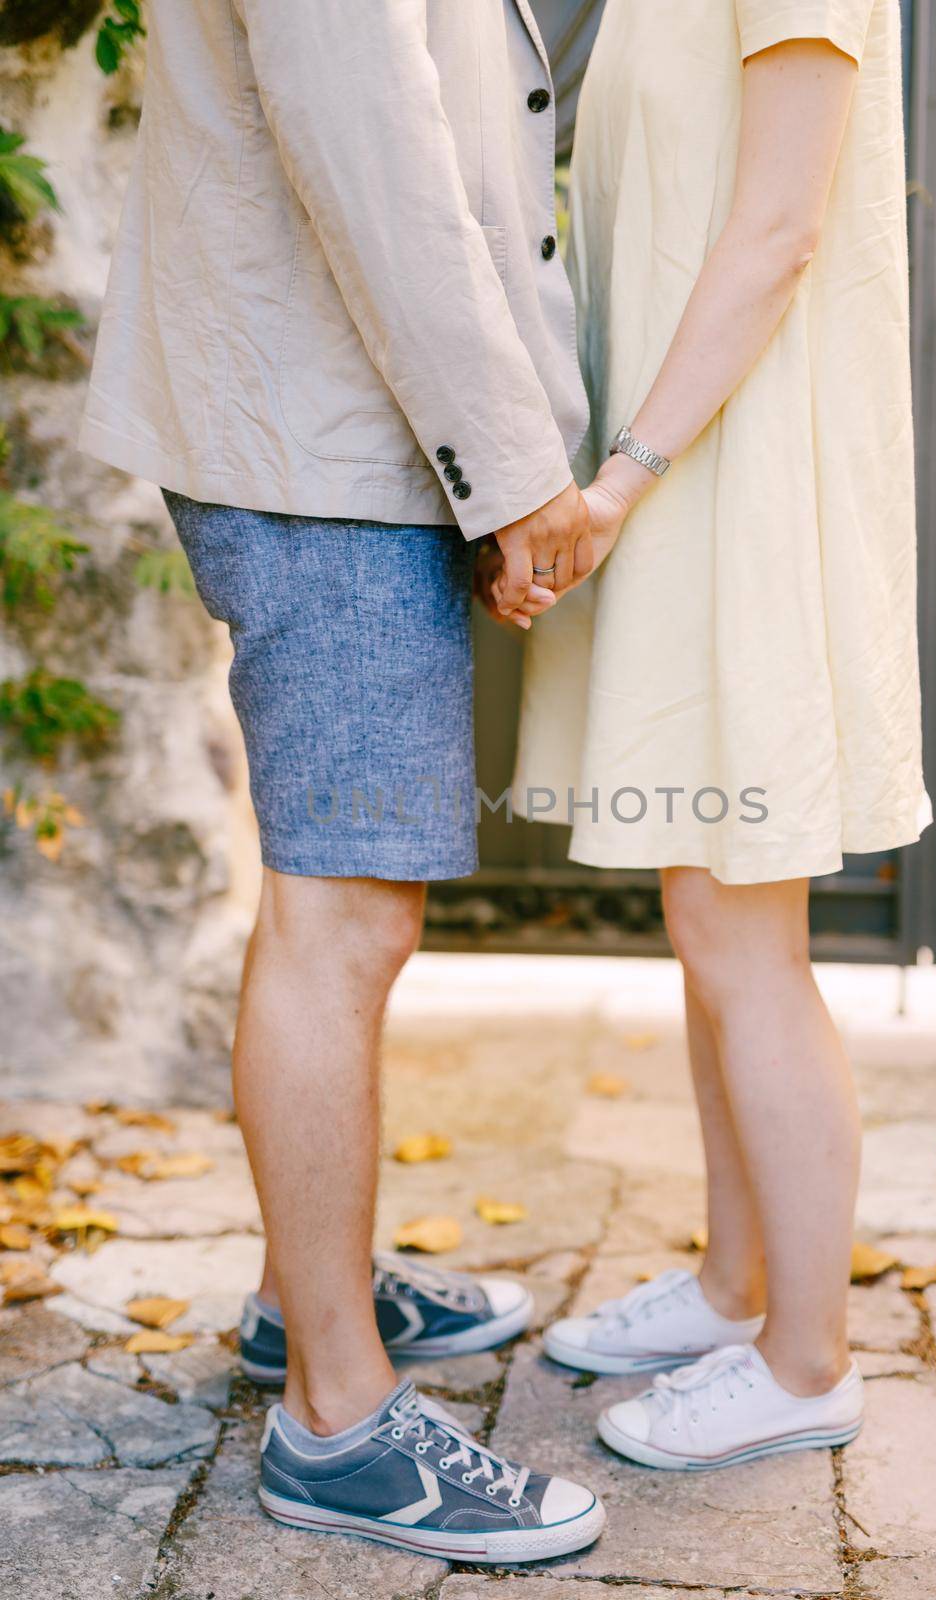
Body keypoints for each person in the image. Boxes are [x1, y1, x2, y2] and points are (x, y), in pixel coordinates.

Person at [79, 0, 605, 1564]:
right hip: (319, 436)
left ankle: (299, 1295)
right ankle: (337, 1422)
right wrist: (517, 470)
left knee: (345, 899)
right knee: (345, 912)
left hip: (327, 417)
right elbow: (371, 149)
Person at [501, 0, 931, 1470]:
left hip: (745, 481)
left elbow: (776, 233)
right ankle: (737, 1287)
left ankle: (808, 1360)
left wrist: (620, 479)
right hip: (690, 468)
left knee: (747, 930)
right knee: (708, 908)